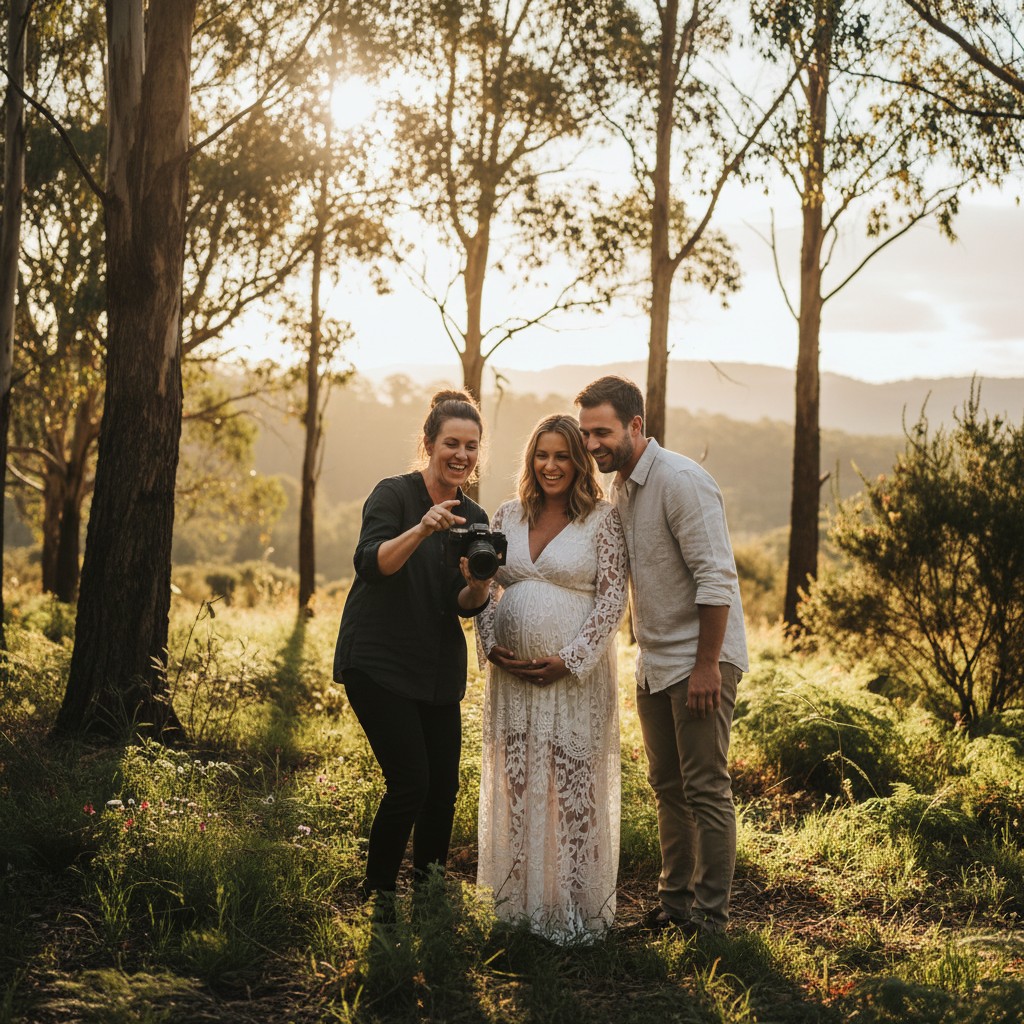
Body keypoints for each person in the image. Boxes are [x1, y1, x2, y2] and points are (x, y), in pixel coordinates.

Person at [575, 376, 748, 937]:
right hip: (654, 662)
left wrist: (705, 667)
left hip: (702, 661)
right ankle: (675, 906)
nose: (593, 443)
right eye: (586, 434)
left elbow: (717, 579)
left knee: (705, 788)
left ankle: (711, 918)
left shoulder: (680, 481)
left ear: (636, 425)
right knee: (668, 787)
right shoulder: (621, 488)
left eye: (602, 431)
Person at [333, 389, 494, 909]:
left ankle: (427, 894)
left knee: (443, 788)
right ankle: (379, 897)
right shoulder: (394, 495)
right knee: (410, 783)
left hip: (435, 667)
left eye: (471, 446)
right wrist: (421, 528)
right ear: (428, 443)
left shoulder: (475, 514)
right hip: (377, 660)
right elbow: (371, 564)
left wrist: (478, 588)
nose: (461, 455)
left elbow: (461, 602)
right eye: (452, 442)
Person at [475, 413, 628, 943]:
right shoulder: (507, 515)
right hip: (513, 681)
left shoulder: (602, 520)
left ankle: (573, 910)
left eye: (563, 455)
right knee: (518, 788)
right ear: (530, 459)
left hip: (573, 682)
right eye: (542, 455)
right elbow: (487, 587)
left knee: (572, 791)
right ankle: (518, 907)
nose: (551, 465)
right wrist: (491, 645)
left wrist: (571, 658)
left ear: (579, 462)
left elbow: (612, 599)